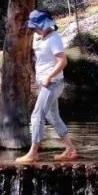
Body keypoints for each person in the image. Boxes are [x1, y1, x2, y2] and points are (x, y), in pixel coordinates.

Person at [15, 9, 79, 162]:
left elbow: (63, 61)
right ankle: (71, 150)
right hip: (49, 84)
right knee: (53, 116)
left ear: (43, 25)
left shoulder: (54, 38)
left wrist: (49, 77)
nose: (34, 30)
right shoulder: (44, 39)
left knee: (37, 115)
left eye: (35, 27)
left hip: (52, 84)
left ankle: (33, 153)